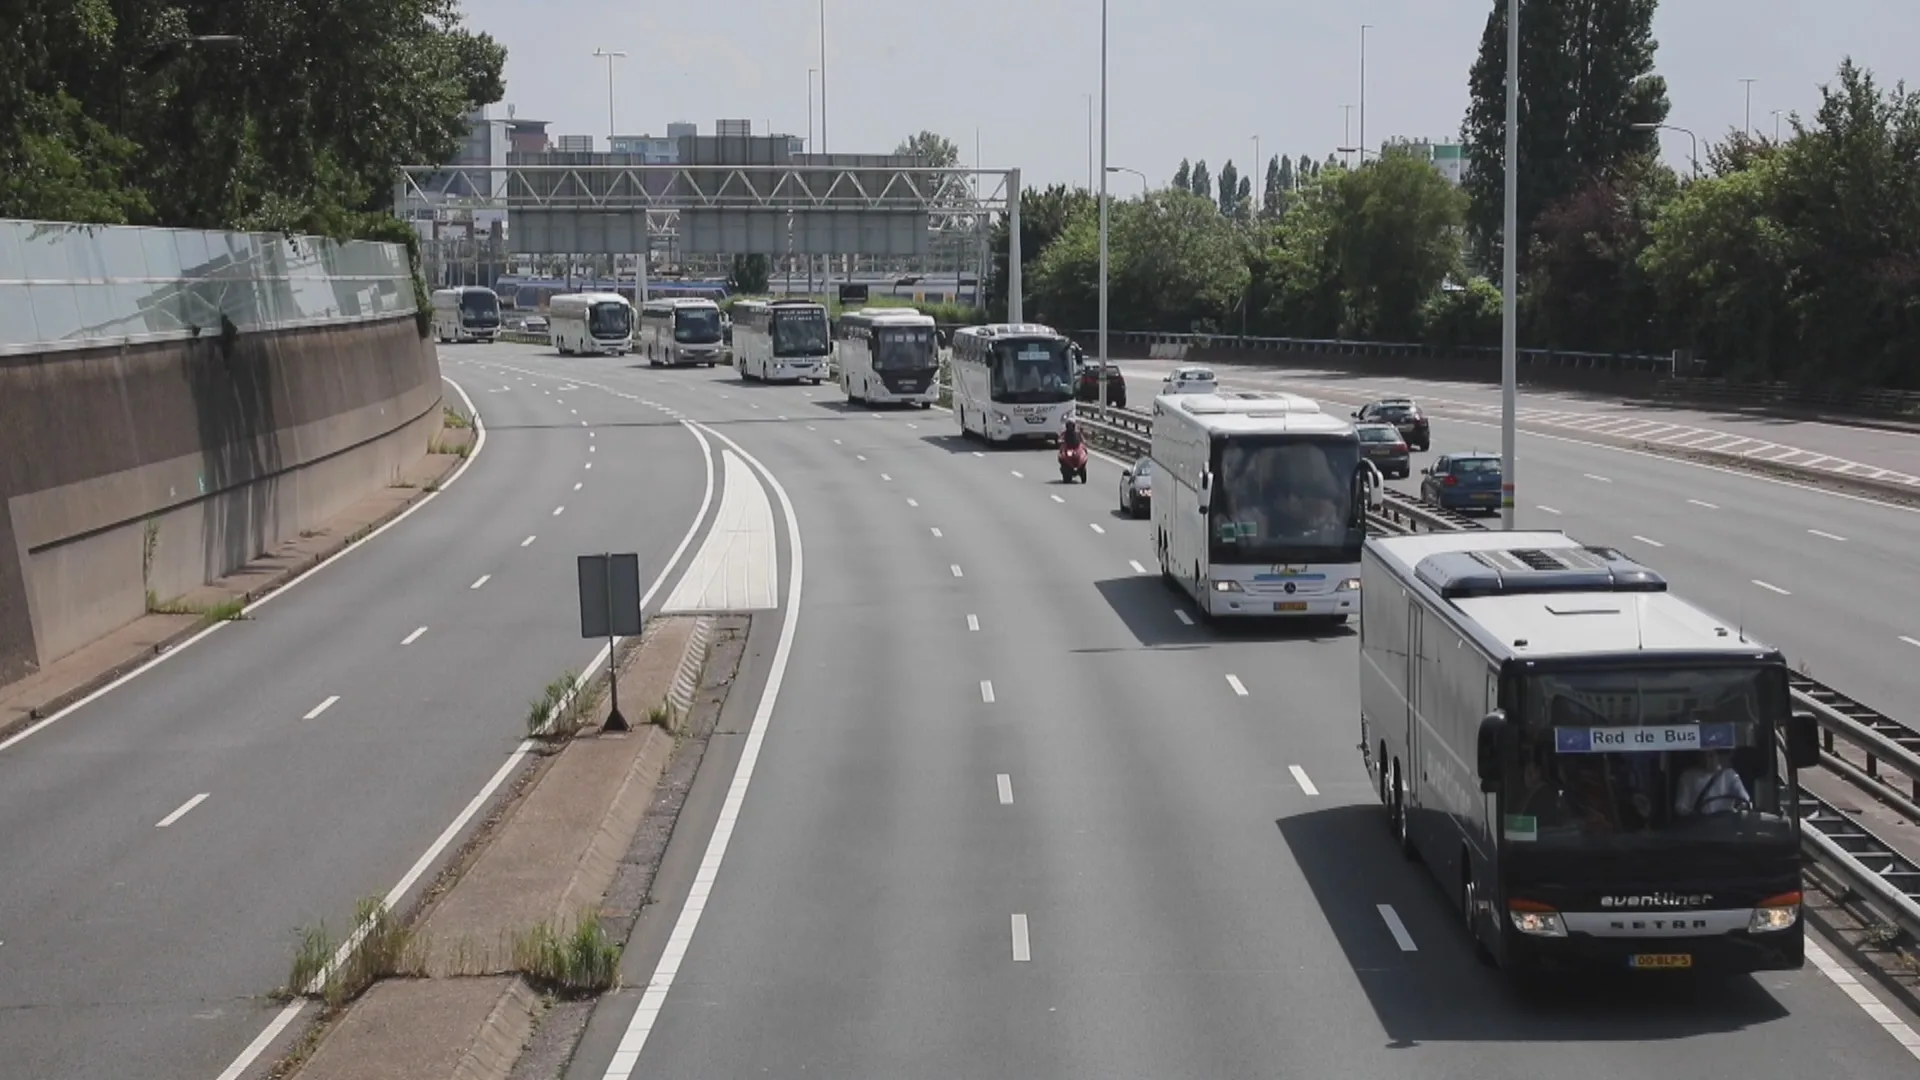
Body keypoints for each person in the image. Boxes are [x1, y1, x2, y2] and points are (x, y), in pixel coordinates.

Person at [1674, 749, 1752, 816]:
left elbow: (1745, 799)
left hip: (1725, 824)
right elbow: (1680, 806)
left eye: (1713, 754)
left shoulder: (1730, 775)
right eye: (1707, 755)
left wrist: (1741, 807)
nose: (1711, 759)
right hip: (1699, 825)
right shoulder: (1687, 776)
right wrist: (1693, 815)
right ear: (1700, 756)